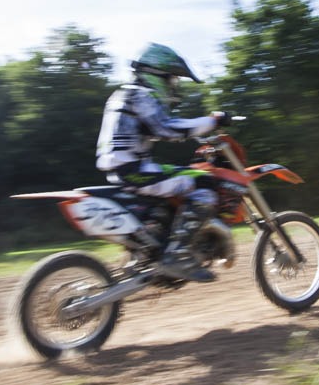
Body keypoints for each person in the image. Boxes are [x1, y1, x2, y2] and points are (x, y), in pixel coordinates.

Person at [96, 43, 229, 283]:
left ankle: (157, 246)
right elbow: (167, 127)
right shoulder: (140, 95)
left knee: (187, 174)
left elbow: (154, 128)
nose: (173, 86)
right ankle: (177, 254)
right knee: (205, 183)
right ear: (156, 74)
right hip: (133, 170)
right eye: (172, 79)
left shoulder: (123, 94)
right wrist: (212, 121)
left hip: (126, 167)